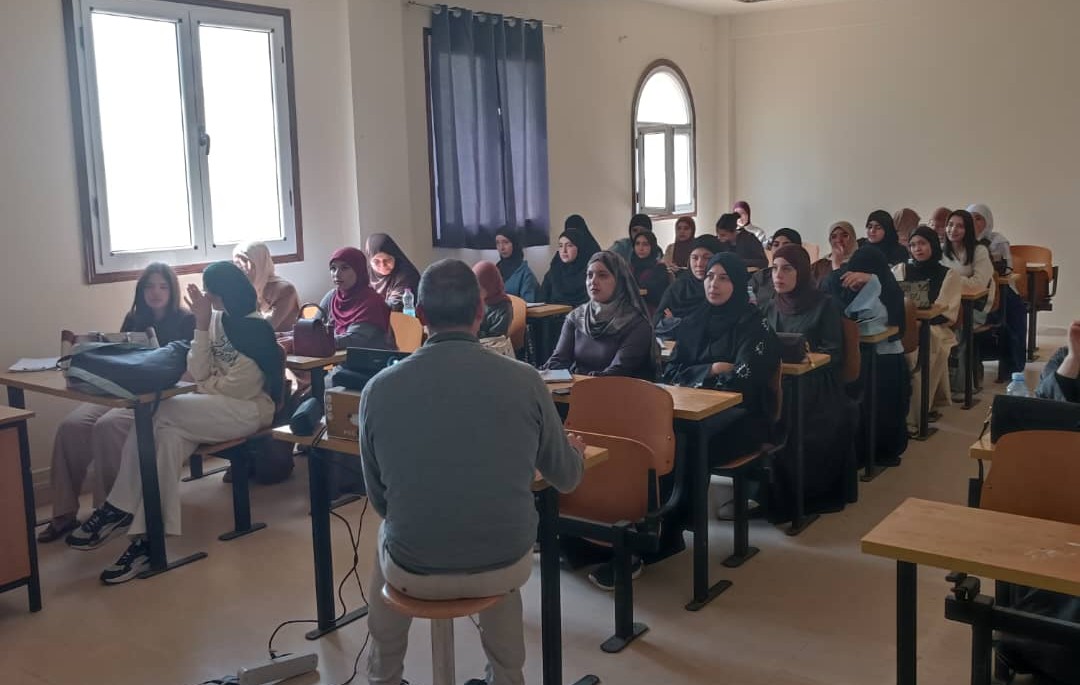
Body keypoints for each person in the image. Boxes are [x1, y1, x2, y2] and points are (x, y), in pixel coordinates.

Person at [360, 259, 584, 685]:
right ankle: (507, 674)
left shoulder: (379, 390)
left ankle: (384, 674)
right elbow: (567, 478)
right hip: (506, 560)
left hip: (413, 569)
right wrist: (573, 451)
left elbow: (380, 501)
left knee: (388, 537)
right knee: (495, 528)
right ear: (481, 312)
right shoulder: (525, 381)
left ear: (419, 315)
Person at [67, 262, 283, 584]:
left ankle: (117, 506)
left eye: (210, 290)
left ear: (225, 291)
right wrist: (200, 324)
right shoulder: (215, 321)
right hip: (215, 406)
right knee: (166, 436)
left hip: (249, 410)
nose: (206, 296)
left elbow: (241, 387)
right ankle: (148, 542)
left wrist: (206, 383)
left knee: (159, 412)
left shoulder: (256, 328)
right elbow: (198, 370)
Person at [37, 264, 196, 544]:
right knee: (71, 426)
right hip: (122, 389)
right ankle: (63, 512)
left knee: (107, 426)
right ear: (140, 290)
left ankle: (110, 510)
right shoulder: (133, 318)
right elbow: (119, 356)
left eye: (162, 286)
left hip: (162, 395)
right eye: (149, 286)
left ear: (172, 290)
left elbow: (191, 368)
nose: (155, 292)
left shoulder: (187, 320)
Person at [761, 244, 855, 517]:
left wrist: (804, 356)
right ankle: (766, 494)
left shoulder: (824, 304)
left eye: (787, 269)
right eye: (774, 268)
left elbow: (834, 353)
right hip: (778, 381)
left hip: (816, 383)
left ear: (801, 272)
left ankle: (797, 500)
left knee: (793, 417)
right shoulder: (769, 306)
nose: (778, 275)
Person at [663, 252, 781, 465]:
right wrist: (712, 369)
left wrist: (693, 377)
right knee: (663, 435)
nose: (713, 284)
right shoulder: (694, 321)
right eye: (709, 276)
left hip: (742, 416)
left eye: (723, 278)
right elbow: (669, 372)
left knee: (685, 442)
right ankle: (670, 499)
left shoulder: (753, 323)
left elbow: (743, 381)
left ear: (737, 281)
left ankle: (688, 499)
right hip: (692, 412)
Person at [822, 245, 910, 465]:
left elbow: (877, 322)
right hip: (856, 358)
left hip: (886, 358)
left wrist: (873, 284)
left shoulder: (888, 289)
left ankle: (879, 451)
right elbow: (842, 315)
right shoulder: (842, 285)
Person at [543, 252, 656, 380]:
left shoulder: (636, 323)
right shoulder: (576, 317)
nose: (593, 281)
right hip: (577, 392)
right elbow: (558, 360)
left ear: (619, 281)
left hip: (620, 394)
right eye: (589, 275)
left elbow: (619, 370)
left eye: (602, 276)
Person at [902, 227, 961, 431]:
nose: (917, 249)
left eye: (922, 244)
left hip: (935, 328)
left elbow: (946, 311)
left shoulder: (948, 274)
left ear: (933, 245)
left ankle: (915, 417)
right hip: (906, 327)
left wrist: (920, 321)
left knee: (922, 351)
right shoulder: (902, 270)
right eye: (913, 245)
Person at [317, 247, 396, 351]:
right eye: (333, 268)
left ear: (358, 270)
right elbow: (312, 326)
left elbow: (353, 340)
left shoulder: (371, 302)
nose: (336, 274)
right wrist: (294, 337)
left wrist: (313, 342)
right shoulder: (332, 297)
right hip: (341, 361)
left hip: (371, 363)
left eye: (344, 268)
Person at [653, 235, 723, 337]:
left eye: (707, 258)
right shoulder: (679, 287)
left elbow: (716, 327)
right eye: (694, 258)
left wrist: (675, 322)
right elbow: (657, 322)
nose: (699, 263)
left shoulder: (722, 289)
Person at [231, 241, 301, 333]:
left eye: (244, 263)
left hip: (283, 344)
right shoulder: (246, 289)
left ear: (260, 263)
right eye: (237, 264)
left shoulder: (285, 290)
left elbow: (264, 330)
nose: (240, 271)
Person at [539, 216, 601, 307]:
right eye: (560, 245)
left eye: (570, 245)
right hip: (552, 318)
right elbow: (542, 299)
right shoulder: (555, 268)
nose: (564, 250)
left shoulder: (592, 271)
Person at [365, 233, 421, 312]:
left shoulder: (406, 274)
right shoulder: (365, 273)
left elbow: (395, 306)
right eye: (376, 261)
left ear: (395, 256)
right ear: (370, 261)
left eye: (387, 260)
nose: (382, 265)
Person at [752, 228, 803, 306]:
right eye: (776, 245)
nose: (780, 248)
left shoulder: (805, 278)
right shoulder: (761, 276)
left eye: (786, 245)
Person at [494, 227, 540, 303]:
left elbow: (527, 304)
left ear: (514, 244)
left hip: (516, 314)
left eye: (505, 242)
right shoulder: (495, 270)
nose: (501, 247)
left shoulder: (525, 273)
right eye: (498, 243)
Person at [629, 230, 670, 314]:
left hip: (651, 311)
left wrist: (640, 292)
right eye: (637, 244)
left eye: (645, 244)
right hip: (630, 309)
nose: (641, 248)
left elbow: (659, 294)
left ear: (652, 246)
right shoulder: (629, 267)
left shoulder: (659, 268)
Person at [473, 260, 513, 339]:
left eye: (479, 289)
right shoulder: (476, 301)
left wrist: (473, 332)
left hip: (490, 348)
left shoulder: (503, 310)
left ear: (490, 287)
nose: (475, 292)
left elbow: (494, 340)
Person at [967, 203, 1012, 269]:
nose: (973, 222)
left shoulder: (998, 241)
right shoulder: (961, 239)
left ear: (987, 221)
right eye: (970, 218)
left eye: (978, 218)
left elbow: (1007, 269)